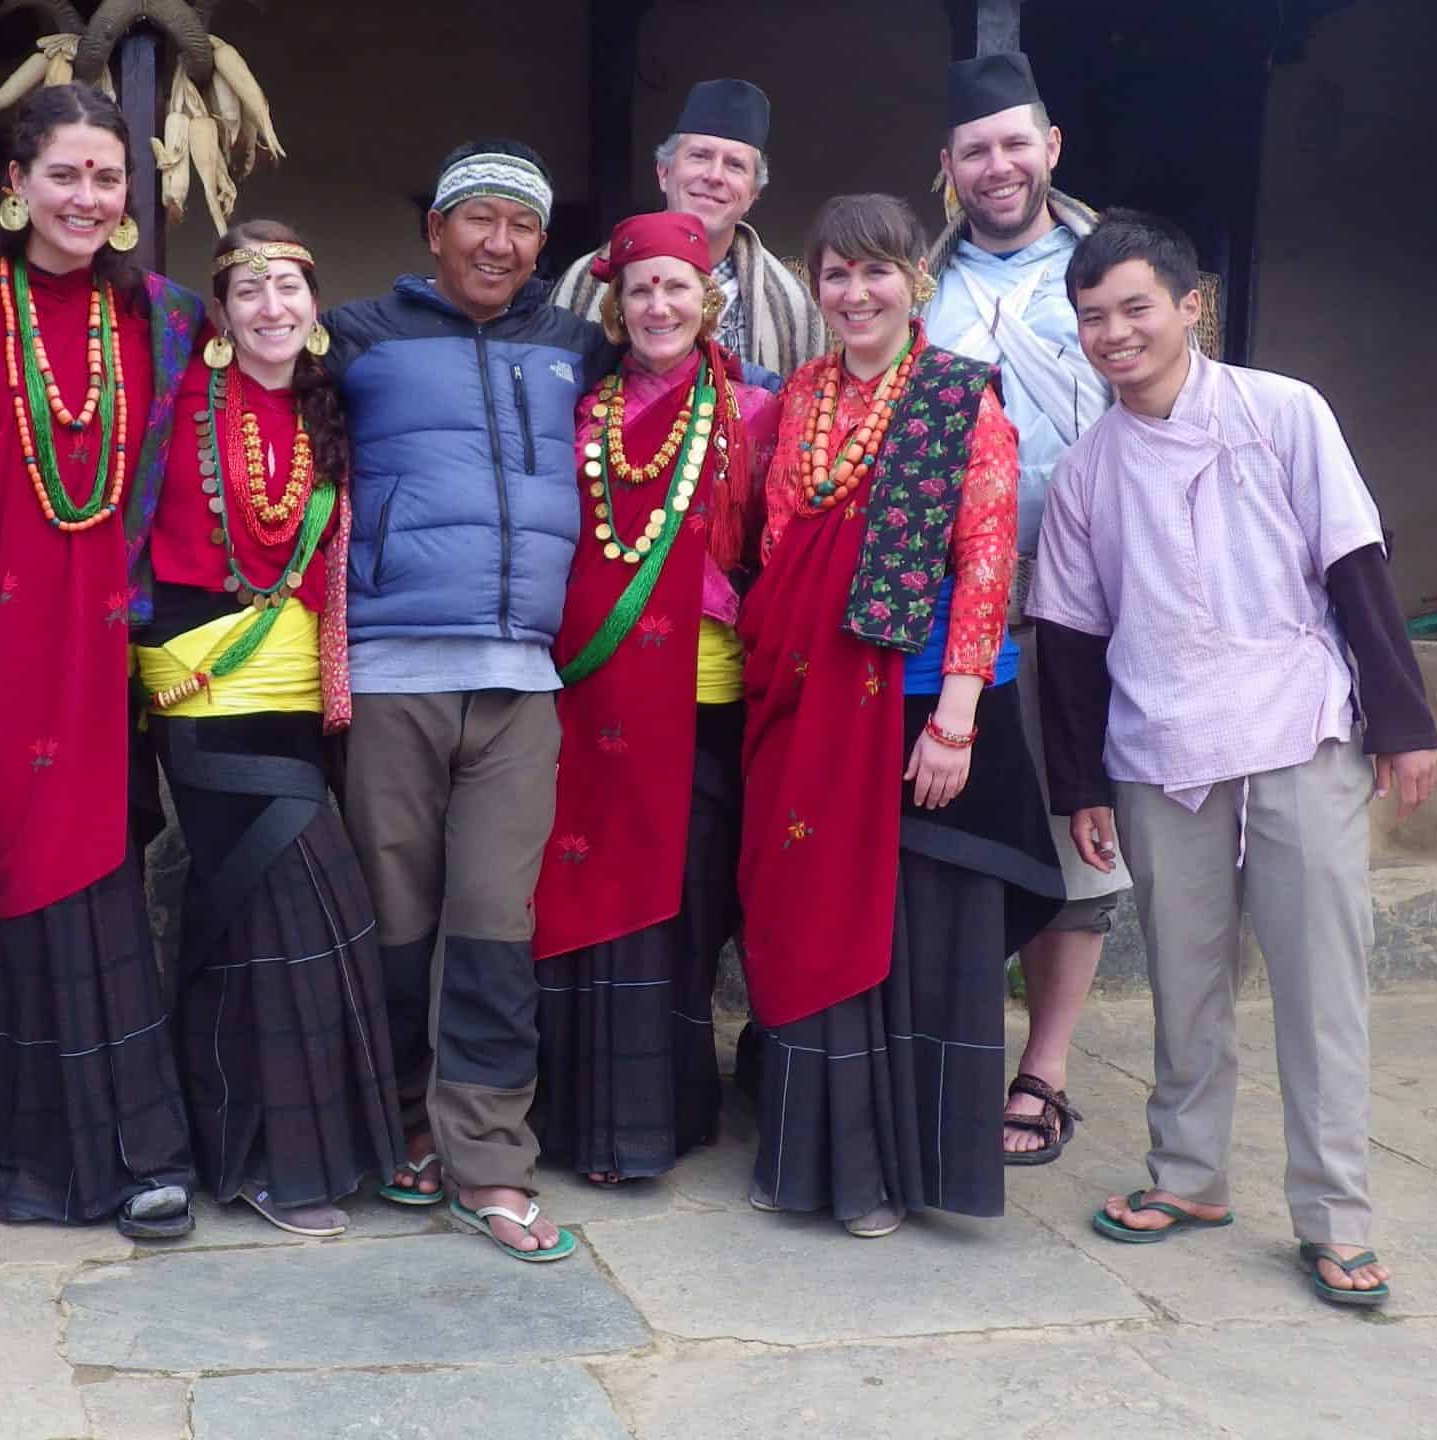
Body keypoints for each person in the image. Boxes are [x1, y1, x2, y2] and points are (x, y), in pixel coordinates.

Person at [1029, 210, 1437, 1308]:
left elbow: (1353, 566)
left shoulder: (1281, 414)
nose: (1113, 334)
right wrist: (1077, 788)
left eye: (1133, 309)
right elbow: (1068, 642)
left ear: (1188, 304)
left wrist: (1402, 724)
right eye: (1090, 319)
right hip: (1158, 743)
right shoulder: (1085, 474)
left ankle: (1335, 1216)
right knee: (1183, 974)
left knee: (1320, 980)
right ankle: (1189, 1175)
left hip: (1297, 719)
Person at [734, 194, 1063, 1239]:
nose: (855, 292)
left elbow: (983, 562)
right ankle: (837, 1170)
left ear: (913, 281)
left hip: (930, 701)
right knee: (830, 923)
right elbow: (782, 558)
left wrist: (956, 718)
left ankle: (923, 1169)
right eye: (835, 274)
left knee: (923, 942)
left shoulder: (961, 400)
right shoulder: (797, 402)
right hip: (823, 706)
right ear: (813, 286)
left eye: (876, 271)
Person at [0, 84, 204, 1240]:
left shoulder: (164, 317)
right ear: (16, 183)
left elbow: (275, 415)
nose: (86, 197)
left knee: (101, 872)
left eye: (105, 177)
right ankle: (26, 1152)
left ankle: (134, 1151)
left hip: (107, 646)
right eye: (65, 174)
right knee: (21, 877)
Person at [324, 139, 617, 1261]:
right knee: (396, 927)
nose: (499, 243)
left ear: (543, 245)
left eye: (522, 226)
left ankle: (489, 1164)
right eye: (476, 219)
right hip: (394, 673)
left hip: (519, 686)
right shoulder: (356, 336)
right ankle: (404, 1128)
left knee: (495, 926)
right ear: (434, 231)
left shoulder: (570, 346)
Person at [135, 221, 404, 1237]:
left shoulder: (332, 411)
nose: (270, 309)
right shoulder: (173, 405)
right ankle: (266, 1160)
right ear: (218, 313)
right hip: (201, 686)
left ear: (316, 307)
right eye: (247, 292)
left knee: (256, 917)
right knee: (298, 908)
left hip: (300, 701)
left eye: (289, 287)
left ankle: (248, 1152)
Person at [530, 212, 776, 1188]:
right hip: (585, 695)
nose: (659, 305)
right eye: (640, 291)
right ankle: (576, 1120)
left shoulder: (753, 414)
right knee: (577, 888)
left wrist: (710, 590)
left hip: (701, 699)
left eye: (677, 288)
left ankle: (657, 1122)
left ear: (707, 298)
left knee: (679, 905)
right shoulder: (580, 411)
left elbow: (775, 553)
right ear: (615, 308)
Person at [922, 49, 1127, 1168]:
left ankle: (1041, 1073)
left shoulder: (1108, 273)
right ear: (946, 169)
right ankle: (939, 1045)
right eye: (973, 150)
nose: (996, 166)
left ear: (1050, 149)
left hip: (1078, 608)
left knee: (1076, 842)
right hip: (943, 614)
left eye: (1015, 143)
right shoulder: (916, 280)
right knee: (946, 836)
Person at [548, 80, 825, 387]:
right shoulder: (583, 281)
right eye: (700, 156)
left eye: (734, 165)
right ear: (663, 172)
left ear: (753, 194)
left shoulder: (792, 305)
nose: (714, 176)